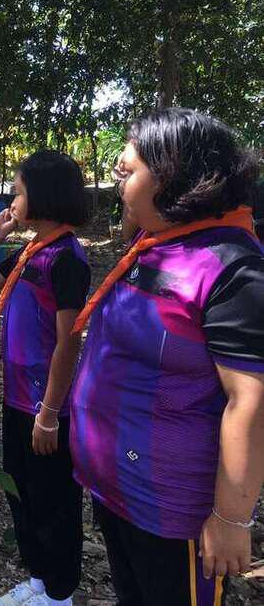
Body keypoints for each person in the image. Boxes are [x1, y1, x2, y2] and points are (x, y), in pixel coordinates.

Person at [69, 108, 264, 606]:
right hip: (116, 488)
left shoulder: (231, 268)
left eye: (128, 169)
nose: (118, 177)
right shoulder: (154, 245)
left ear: (173, 177)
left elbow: (250, 401)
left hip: (171, 510)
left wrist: (231, 518)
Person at [0, 151, 90, 606]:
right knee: (22, 491)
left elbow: (68, 343)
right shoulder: (31, 251)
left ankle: (59, 593)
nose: (12, 201)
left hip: (46, 407)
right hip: (16, 399)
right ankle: (38, 579)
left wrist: (51, 412)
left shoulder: (66, 258)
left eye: (17, 192)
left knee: (54, 500)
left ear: (44, 195)